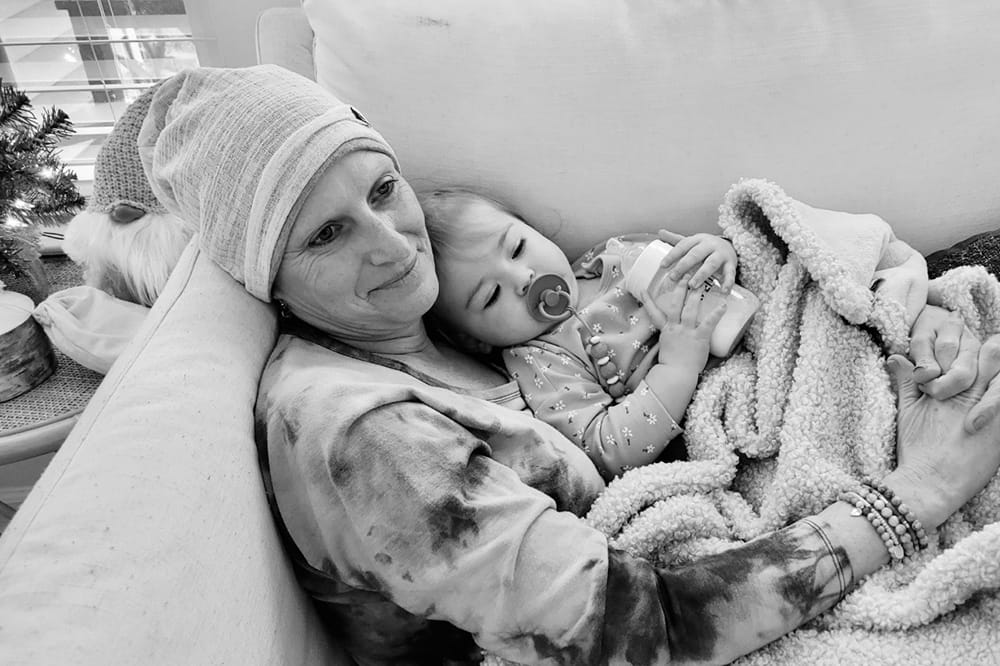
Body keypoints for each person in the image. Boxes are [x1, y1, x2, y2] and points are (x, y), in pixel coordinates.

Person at [130, 64, 1000, 665]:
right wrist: (916, 494)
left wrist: (894, 322)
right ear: (266, 278)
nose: (392, 241)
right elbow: (642, 631)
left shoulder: (453, 332)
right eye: (326, 234)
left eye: (382, 189)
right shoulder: (360, 436)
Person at [421, 187, 743, 479]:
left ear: (533, 229)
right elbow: (609, 451)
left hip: (745, 333)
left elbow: (710, 272)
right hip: (711, 410)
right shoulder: (541, 364)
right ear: (472, 340)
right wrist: (678, 368)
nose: (522, 278)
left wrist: (719, 251)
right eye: (491, 295)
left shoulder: (614, 257)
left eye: (517, 248)